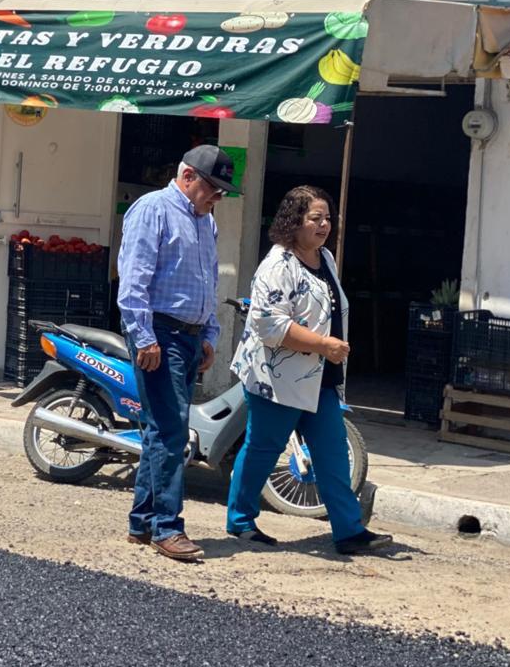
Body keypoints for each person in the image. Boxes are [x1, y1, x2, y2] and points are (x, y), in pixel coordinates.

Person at [228, 185, 393, 555]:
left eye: (327, 219)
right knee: (263, 449)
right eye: (315, 218)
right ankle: (240, 521)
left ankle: (348, 531)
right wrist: (323, 345)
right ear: (293, 221)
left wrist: (329, 351)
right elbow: (269, 325)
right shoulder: (277, 266)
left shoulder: (326, 259)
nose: (323, 225)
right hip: (278, 378)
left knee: (333, 451)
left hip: (321, 377)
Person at [117, 144, 236, 562]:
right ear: (187, 177)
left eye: (222, 191)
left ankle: (142, 523)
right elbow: (133, 280)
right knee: (171, 433)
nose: (217, 197)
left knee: (160, 431)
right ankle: (168, 527)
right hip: (160, 334)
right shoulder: (153, 210)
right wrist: (144, 336)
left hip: (188, 336)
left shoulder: (207, 222)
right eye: (212, 188)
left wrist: (209, 335)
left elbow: (207, 282)